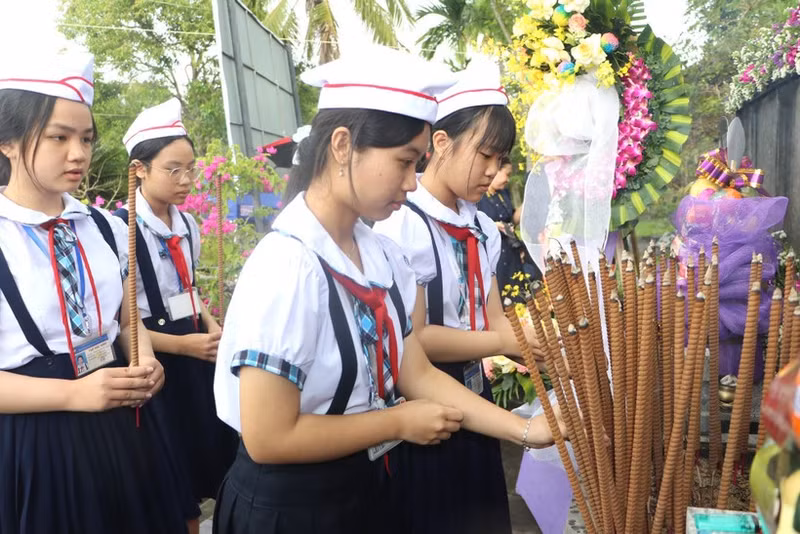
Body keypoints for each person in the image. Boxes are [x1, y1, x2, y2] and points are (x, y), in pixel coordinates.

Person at [212, 47, 563, 534]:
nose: (410, 181)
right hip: (292, 508)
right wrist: (396, 423)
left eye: (417, 163)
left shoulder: (377, 254)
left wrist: (526, 430)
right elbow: (269, 436)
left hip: (363, 489)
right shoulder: (288, 266)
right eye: (403, 162)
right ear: (342, 145)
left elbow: (413, 369)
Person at [0, 50, 188, 534]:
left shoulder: (103, 226)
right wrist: (74, 395)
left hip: (124, 424)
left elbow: (124, 316)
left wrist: (146, 359)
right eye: (58, 137)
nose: (79, 153)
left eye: (85, 138)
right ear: (8, 142)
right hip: (41, 440)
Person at [373, 58, 544, 534]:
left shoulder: (481, 226)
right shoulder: (403, 224)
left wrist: (541, 345)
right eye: (485, 155)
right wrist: (509, 343)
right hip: (425, 400)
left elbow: (493, 318)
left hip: (476, 391)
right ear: (441, 144)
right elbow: (419, 340)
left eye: (501, 159)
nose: (493, 172)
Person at [115, 98, 239, 531]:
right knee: (175, 474)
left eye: (191, 169)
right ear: (139, 170)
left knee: (216, 458)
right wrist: (184, 345)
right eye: (174, 169)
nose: (187, 180)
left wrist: (208, 322)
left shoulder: (185, 225)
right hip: (157, 363)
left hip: (195, 356)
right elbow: (122, 323)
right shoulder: (118, 229)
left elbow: (189, 289)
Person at [477, 156, 542, 300]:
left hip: (511, 252)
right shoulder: (479, 197)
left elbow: (512, 219)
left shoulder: (503, 193)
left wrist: (527, 202)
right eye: (506, 174)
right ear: (496, 171)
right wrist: (494, 226)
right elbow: (473, 224)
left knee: (519, 291)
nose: (507, 179)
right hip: (494, 254)